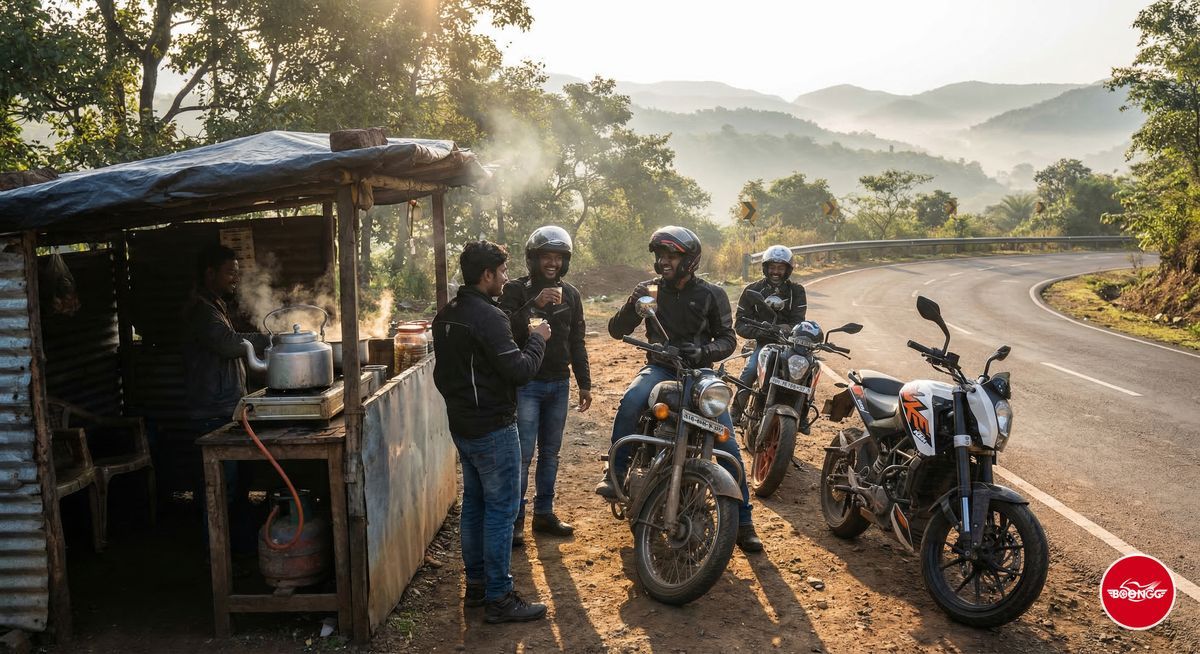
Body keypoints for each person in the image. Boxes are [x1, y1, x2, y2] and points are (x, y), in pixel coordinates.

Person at [596, 226, 763, 553]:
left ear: (689, 260)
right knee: (632, 399)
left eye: (671, 256)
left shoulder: (711, 294)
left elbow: (728, 339)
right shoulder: (650, 291)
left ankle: (743, 520)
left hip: (699, 374)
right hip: (659, 367)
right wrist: (633, 302)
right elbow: (617, 330)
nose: (664, 261)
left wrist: (704, 353)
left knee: (727, 443)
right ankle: (614, 474)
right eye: (661, 256)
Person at [432, 240, 551, 623]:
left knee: (476, 506)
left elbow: (443, 376)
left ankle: (478, 588)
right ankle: (500, 598)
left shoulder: (447, 314)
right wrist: (538, 339)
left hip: (464, 426)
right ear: (487, 275)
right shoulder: (487, 317)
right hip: (493, 428)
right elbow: (518, 371)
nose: (505, 277)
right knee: (501, 511)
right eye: (501, 271)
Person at [498, 226, 592, 547]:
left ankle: (544, 513)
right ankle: (515, 520)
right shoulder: (515, 290)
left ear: (564, 262)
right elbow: (502, 329)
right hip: (527, 384)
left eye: (558, 258)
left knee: (550, 453)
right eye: (545, 257)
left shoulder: (573, 295)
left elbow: (577, 341)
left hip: (559, 383)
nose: (551, 263)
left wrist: (585, 383)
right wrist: (534, 303)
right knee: (522, 455)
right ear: (533, 259)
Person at [182, 244, 270, 552]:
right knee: (219, 488)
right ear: (210, 273)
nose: (236, 277)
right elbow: (228, 344)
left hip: (225, 406)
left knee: (235, 484)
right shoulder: (201, 310)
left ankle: (233, 549)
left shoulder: (214, 303)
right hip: (211, 410)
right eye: (230, 272)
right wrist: (272, 338)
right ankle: (216, 556)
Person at [731, 244, 807, 422]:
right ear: (765, 268)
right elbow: (740, 322)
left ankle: (802, 414)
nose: (776, 272)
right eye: (772, 267)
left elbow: (799, 320)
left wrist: (788, 329)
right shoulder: (752, 290)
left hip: (790, 344)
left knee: (804, 371)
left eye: (780, 268)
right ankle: (736, 409)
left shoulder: (797, 291)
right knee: (750, 370)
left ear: (787, 270)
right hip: (763, 342)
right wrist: (760, 331)